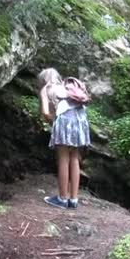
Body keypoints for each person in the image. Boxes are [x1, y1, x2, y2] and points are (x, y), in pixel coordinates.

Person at [37, 68, 91, 209]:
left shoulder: (46, 89)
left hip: (64, 121)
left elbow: (46, 112)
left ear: (43, 80)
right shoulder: (65, 86)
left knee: (63, 159)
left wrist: (51, 121)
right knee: (74, 158)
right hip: (81, 120)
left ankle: (62, 198)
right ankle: (73, 200)